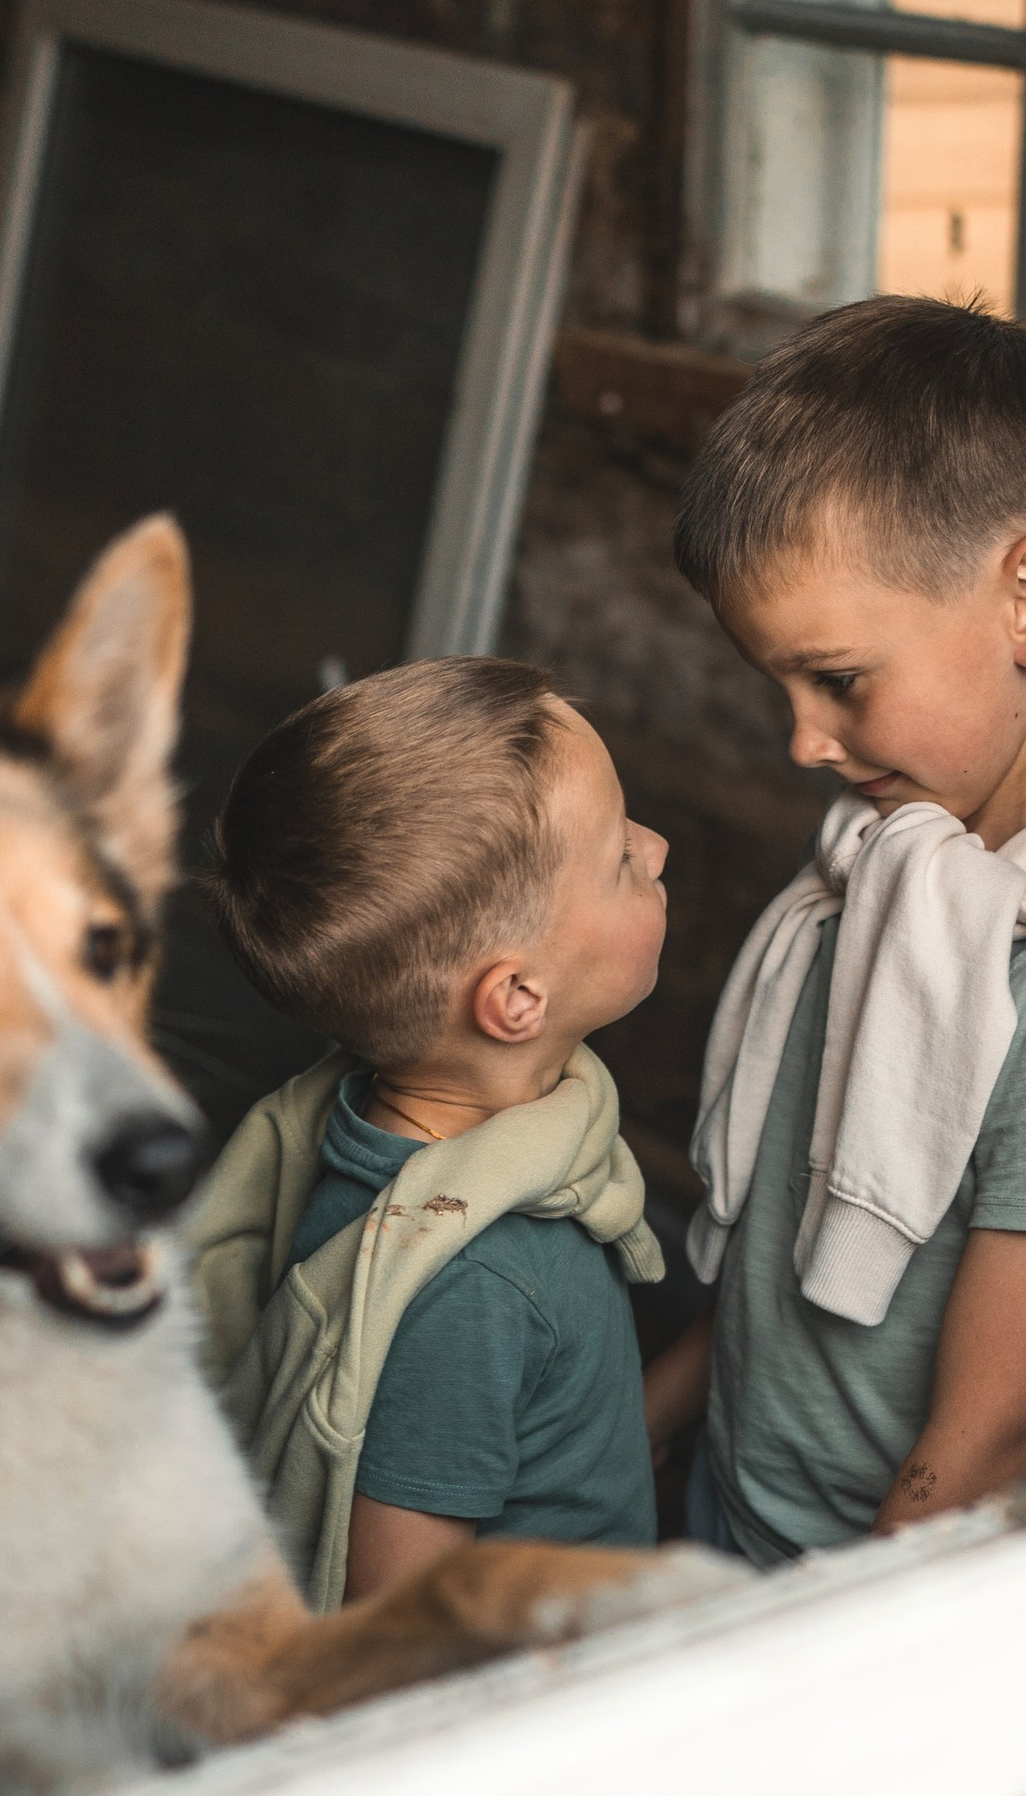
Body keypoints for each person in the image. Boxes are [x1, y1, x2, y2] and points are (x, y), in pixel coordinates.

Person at [642, 295, 1026, 1566]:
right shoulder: (891, 878)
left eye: (840, 681)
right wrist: (620, 1455)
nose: (803, 741)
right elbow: (777, 1268)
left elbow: (979, 1453)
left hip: (866, 1589)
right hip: (730, 1519)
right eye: (783, 689)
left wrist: (814, 1653)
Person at [186, 660, 670, 1608]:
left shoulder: (372, 1131)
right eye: (619, 857)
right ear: (517, 999)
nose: (656, 848)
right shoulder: (481, 1285)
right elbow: (404, 1621)